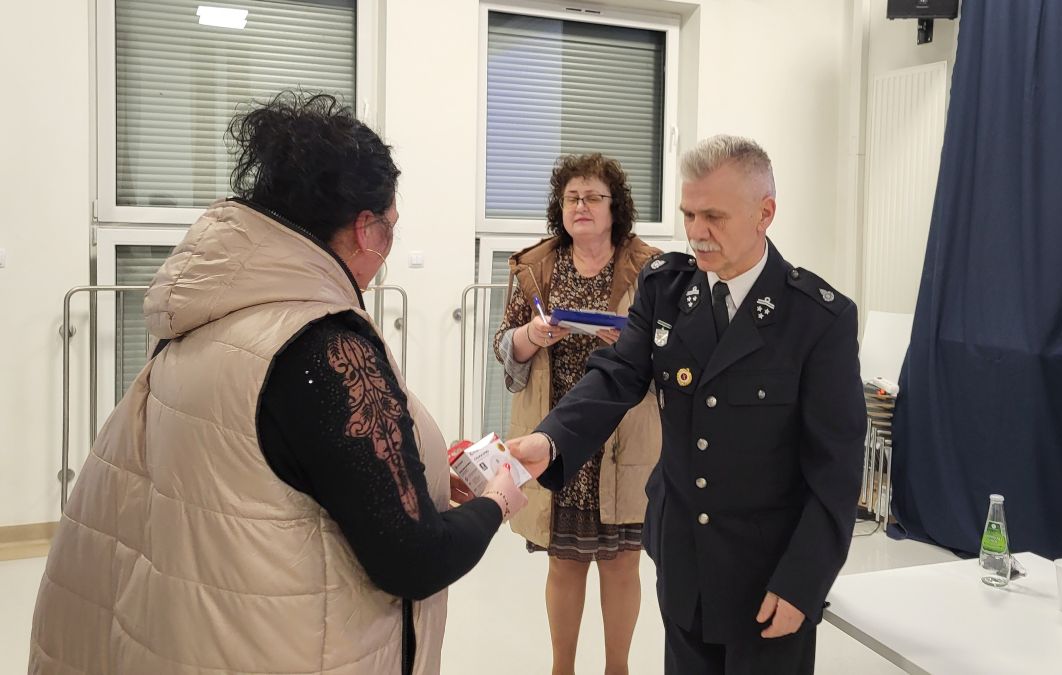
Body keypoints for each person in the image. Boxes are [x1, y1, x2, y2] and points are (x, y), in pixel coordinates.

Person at [28, 91, 526, 675]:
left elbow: (274, 468)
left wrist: (423, 473)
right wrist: (497, 501)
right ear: (364, 230)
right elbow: (413, 560)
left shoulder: (204, 317)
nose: (386, 254)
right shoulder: (326, 348)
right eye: (389, 232)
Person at [509, 135, 867, 674]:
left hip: (768, 574)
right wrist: (551, 439)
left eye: (714, 216)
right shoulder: (668, 289)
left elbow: (836, 469)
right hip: (684, 561)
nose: (697, 232)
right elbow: (617, 374)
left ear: (765, 213)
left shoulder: (817, 318)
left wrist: (804, 581)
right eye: (689, 214)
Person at [491, 153, 662, 675]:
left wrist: (631, 346)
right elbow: (504, 346)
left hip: (623, 435)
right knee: (564, 563)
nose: (580, 206)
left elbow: (671, 349)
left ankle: (618, 669)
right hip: (555, 434)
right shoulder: (537, 266)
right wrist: (532, 335)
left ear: (616, 207)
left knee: (621, 564)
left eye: (592, 197)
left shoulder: (649, 268)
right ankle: (561, 668)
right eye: (571, 198)